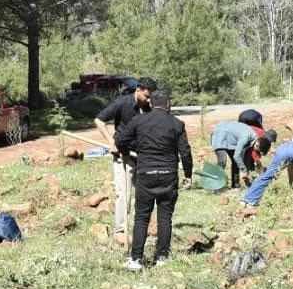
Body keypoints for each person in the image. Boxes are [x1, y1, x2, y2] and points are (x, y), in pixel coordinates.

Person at [115, 89, 192, 270]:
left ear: (150, 103)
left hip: (146, 175)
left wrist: (130, 150)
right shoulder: (177, 124)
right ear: (169, 105)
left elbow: (120, 140)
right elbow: (185, 152)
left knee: (142, 218)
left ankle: (135, 260)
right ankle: (161, 257)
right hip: (168, 176)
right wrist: (188, 174)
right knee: (165, 218)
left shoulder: (139, 121)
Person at [95, 77, 155, 236]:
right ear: (138, 90)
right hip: (124, 156)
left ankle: (140, 227)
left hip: (142, 156)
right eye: (146, 96)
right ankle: (121, 230)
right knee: (124, 193)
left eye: (151, 97)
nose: (149, 100)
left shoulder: (149, 108)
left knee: (143, 193)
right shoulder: (122, 103)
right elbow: (99, 120)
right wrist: (111, 143)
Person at [211, 119, 260, 190]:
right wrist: (244, 170)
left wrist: (246, 173)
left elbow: (241, 157)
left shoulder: (253, 140)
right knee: (222, 161)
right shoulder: (247, 136)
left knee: (235, 162)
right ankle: (216, 186)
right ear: (258, 144)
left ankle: (235, 185)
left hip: (230, 139)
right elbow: (237, 156)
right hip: (220, 134)